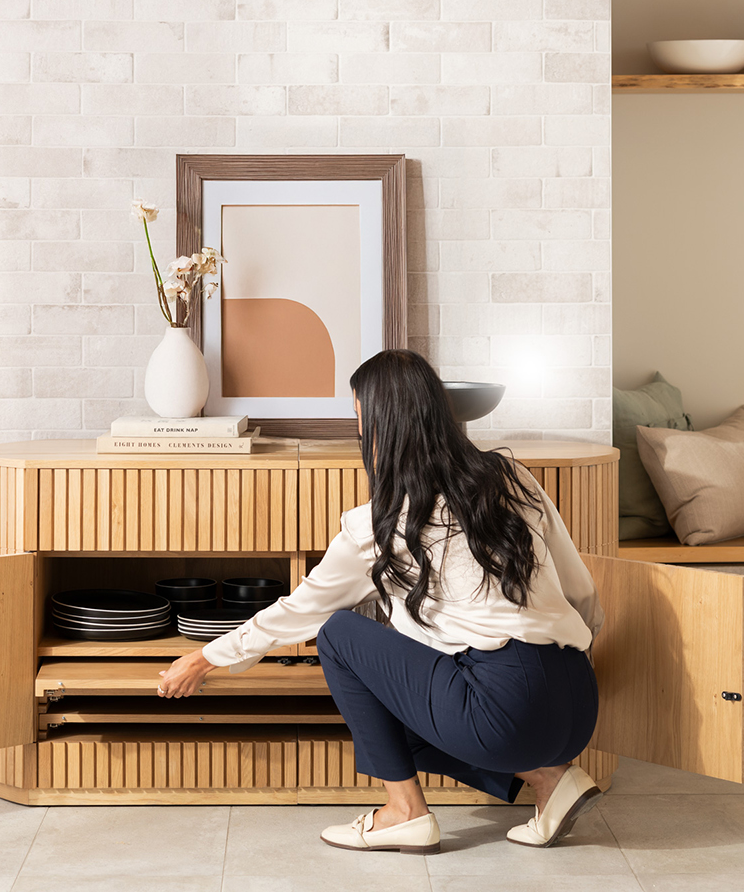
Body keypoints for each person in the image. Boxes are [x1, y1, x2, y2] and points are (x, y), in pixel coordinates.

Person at [156, 349, 605, 855]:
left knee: (341, 637)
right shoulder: (511, 478)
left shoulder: (379, 523)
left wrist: (206, 655)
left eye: (359, 418)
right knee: (394, 703)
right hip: (579, 701)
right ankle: (550, 778)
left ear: (382, 427)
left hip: (505, 708)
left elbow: (302, 609)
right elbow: (579, 588)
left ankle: (404, 812)